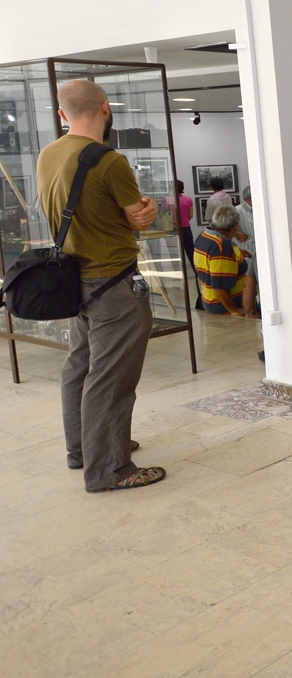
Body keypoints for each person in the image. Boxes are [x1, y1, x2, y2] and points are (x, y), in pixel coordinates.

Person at [35, 79, 166, 492]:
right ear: (106, 108)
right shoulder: (110, 161)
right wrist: (149, 208)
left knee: (80, 366)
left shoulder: (48, 154)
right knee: (112, 378)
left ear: (62, 114)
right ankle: (110, 468)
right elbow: (137, 216)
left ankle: (83, 449)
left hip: (73, 279)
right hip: (114, 283)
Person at [194, 204, 249, 316]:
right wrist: (234, 310)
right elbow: (219, 285)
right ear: (235, 226)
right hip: (224, 308)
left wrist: (236, 252)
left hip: (210, 300)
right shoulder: (221, 247)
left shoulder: (204, 236)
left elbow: (211, 258)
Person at [233, 183, 259, 318]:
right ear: (248, 199)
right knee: (250, 284)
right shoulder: (237, 211)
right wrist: (237, 233)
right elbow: (223, 227)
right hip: (248, 253)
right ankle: (250, 311)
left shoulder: (262, 208)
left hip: (260, 252)